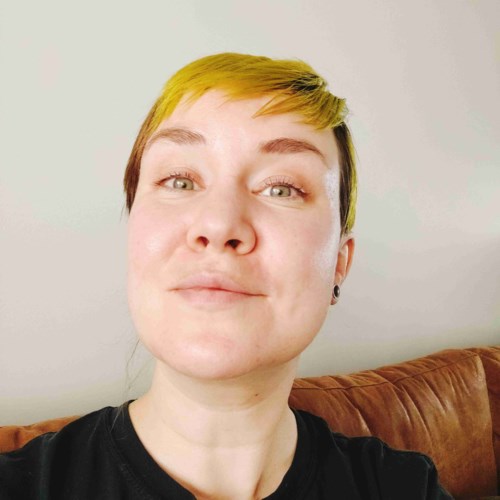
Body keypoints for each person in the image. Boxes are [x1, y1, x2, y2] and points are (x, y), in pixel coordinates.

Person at [0, 52, 452, 499]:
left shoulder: (406, 488)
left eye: (282, 189)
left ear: (339, 262)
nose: (218, 225)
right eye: (180, 180)